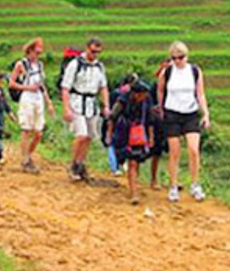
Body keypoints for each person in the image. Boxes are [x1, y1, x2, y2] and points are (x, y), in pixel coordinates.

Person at [158, 41, 210, 202]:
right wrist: (161, 109)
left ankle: (195, 184)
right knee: (175, 152)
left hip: (190, 113)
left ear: (186, 56)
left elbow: (200, 94)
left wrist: (206, 114)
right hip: (172, 113)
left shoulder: (194, 71)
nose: (178, 61)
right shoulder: (167, 72)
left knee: (193, 150)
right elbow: (160, 90)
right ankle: (173, 185)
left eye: (181, 57)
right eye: (174, 58)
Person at [61, 37, 110, 182]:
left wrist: (106, 105)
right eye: (93, 51)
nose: (95, 54)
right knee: (81, 135)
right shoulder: (75, 64)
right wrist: (66, 108)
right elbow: (65, 87)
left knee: (89, 137)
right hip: (76, 102)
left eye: (98, 52)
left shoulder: (99, 67)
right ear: (87, 47)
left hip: (91, 104)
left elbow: (103, 87)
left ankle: (80, 163)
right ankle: (73, 164)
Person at [9, 38, 55, 174]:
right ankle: (25, 159)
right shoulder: (21, 64)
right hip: (27, 98)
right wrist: (27, 87)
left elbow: (42, 86)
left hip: (38, 99)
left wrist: (49, 102)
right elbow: (11, 83)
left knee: (38, 132)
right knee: (26, 129)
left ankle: (27, 155)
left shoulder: (40, 66)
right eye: (36, 52)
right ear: (30, 51)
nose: (38, 55)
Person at [106, 79, 155, 205]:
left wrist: (150, 138)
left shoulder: (146, 101)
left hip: (139, 134)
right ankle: (134, 192)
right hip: (125, 134)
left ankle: (133, 186)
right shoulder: (123, 101)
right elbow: (112, 117)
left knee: (136, 161)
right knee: (132, 162)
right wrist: (109, 134)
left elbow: (150, 120)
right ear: (135, 94)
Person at [149, 57, 172, 190]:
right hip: (157, 123)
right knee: (156, 153)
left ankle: (172, 179)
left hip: (171, 120)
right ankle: (153, 179)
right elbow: (150, 106)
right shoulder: (155, 86)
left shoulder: (174, 86)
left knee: (173, 151)